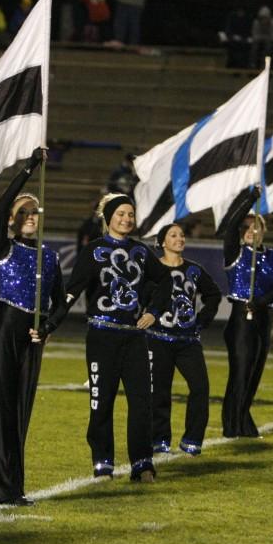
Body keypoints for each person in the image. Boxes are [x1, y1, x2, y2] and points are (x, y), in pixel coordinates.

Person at [34, 193, 171, 481]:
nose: (127, 219)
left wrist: (155, 311)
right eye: (121, 214)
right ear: (108, 218)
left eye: (130, 214)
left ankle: (142, 463)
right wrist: (50, 325)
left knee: (141, 403)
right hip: (101, 338)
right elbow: (71, 293)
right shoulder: (93, 251)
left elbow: (166, 280)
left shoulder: (142, 251)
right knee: (101, 402)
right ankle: (103, 462)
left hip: (134, 338)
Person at [0, 149, 65, 506]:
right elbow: (0, 208)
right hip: (6, 331)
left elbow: (61, 303)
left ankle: (12, 486)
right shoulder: (4, 249)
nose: (30, 217)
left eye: (34, 213)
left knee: (21, 411)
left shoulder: (51, 257)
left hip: (33, 338)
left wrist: (47, 328)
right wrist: (29, 169)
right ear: (14, 220)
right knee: (0, 409)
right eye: (23, 213)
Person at [218, 187, 273, 437]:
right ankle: (232, 423)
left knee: (254, 373)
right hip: (241, 319)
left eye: (255, 227)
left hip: (263, 317)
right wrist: (249, 199)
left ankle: (243, 418)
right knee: (240, 372)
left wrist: (260, 302)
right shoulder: (235, 252)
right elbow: (229, 227)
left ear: (263, 231)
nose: (250, 232)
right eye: (246, 228)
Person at [146, 223, 221, 455]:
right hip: (157, 339)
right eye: (173, 235)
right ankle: (159, 441)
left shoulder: (194, 270)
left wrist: (201, 321)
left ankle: (192, 440)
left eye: (181, 235)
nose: (179, 239)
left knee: (200, 388)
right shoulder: (152, 270)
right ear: (162, 242)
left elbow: (214, 294)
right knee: (159, 392)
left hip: (188, 341)